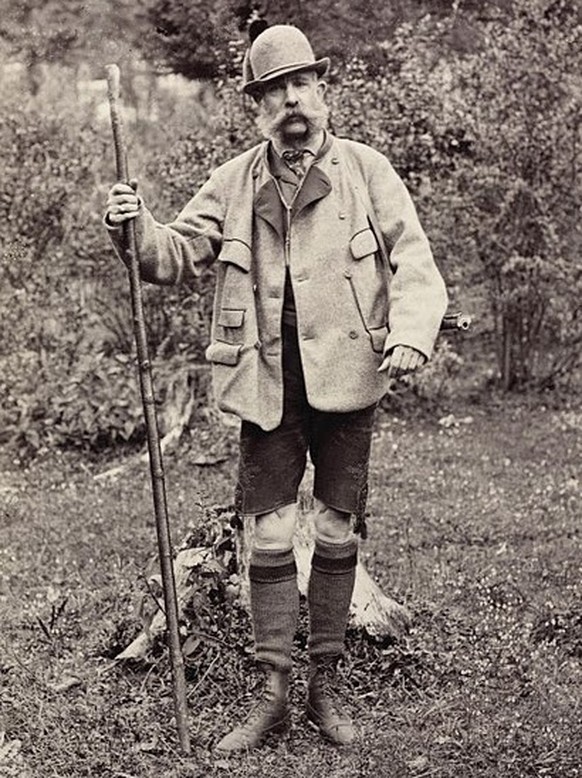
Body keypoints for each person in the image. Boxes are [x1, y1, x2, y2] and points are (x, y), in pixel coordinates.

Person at [105, 24, 448, 751]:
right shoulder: (234, 182)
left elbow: (414, 257)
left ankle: (327, 685)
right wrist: (133, 230)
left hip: (351, 378)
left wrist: (414, 329)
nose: (291, 101)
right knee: (267, 533)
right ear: (256, 104)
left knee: (333, 528)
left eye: (300, 85)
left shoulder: (364, 170)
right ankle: (272, 694)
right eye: (274, 90)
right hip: (264, 383)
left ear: (322, 90)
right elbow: (173, 255)